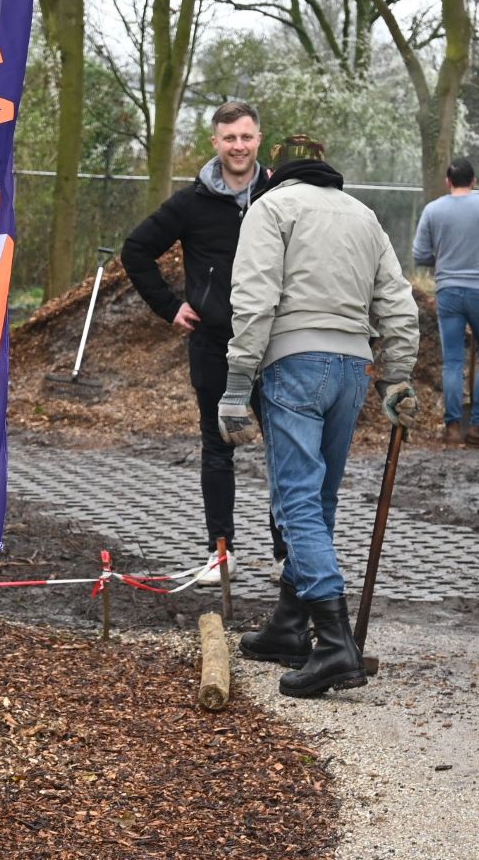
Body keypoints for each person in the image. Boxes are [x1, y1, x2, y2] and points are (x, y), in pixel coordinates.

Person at [221, 134, 420, 698]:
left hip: (294, 364)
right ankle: (289, 625)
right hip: (352, 368)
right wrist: (397, 374)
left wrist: (236, 384)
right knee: (319, 498)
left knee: (297, 502)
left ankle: (333, 643)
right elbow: (397, 301)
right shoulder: (363, 215)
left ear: (275, 173)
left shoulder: (270, 208)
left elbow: (255, 298)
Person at [121, 100, 272, 583]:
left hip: (274, 345)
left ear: (259, 139)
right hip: (215, 344)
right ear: (215, 142)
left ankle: (287, 555)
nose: (238, 146)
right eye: (229, 138)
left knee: (284, 450)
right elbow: (136, 250)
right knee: (218, 447)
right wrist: (170, 307)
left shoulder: (279, 194)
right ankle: (220, 554)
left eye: (245, 137)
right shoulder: (191, 203)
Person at [411, 157, 479, 447]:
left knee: (452, 361)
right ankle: (478, 426)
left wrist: (444, 258)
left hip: (449, 291)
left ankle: (452, 428)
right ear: (474, 181)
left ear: (448, 182)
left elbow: (420, 254)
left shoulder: (433, 210)